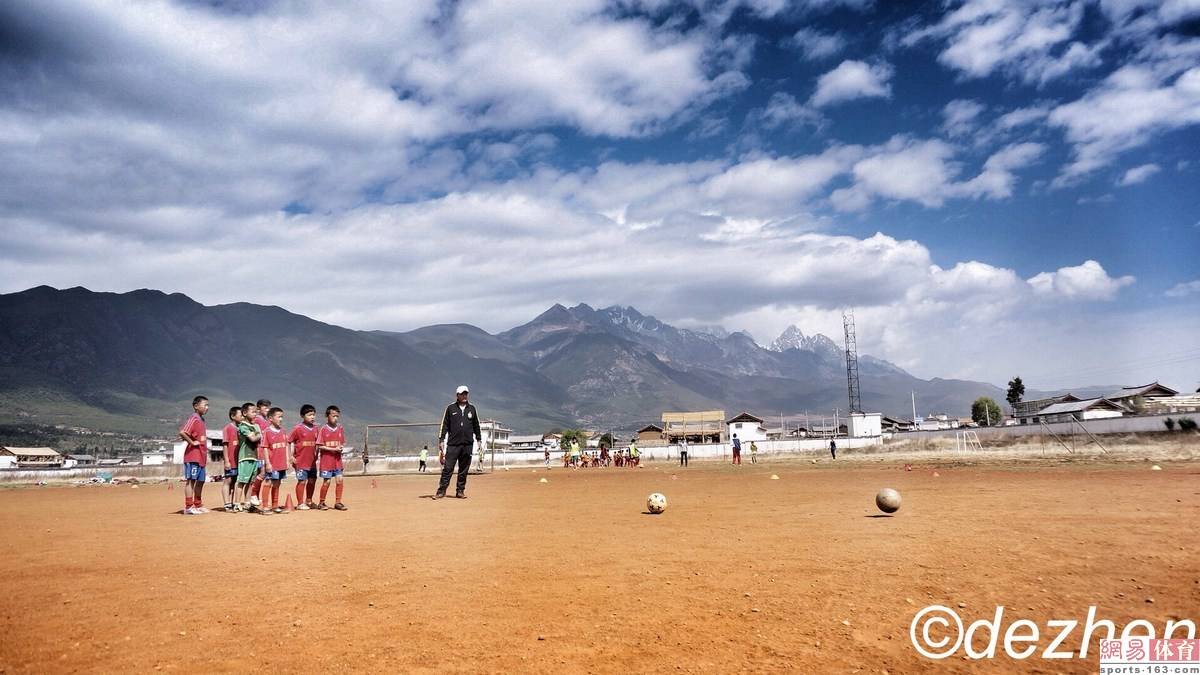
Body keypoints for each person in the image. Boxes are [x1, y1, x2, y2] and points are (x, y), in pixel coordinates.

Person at [435, 385, 481, 499]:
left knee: (464, 469)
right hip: (453, 444)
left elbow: (476, 425)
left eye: (466, 393)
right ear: (457, 395)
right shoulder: (450, 408)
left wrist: (479, 439)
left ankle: (460, 491)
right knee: (448, 468)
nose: (465, 396)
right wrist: (441, 439)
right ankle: (441, 491)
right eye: (462, 394)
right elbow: (444, 425)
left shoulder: (472, 409)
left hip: (467, 444)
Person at [178, 395, 209, 515]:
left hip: (202, 455)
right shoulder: (194, 418)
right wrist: (192, 442)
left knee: (200, 481)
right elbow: (182, 432)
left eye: (208, 405)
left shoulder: (201, 419)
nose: (207, 407)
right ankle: (188, 506)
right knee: (191, 481)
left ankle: (198, 504)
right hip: (193, 455)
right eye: (205, 405)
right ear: (196, 406)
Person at [316, 405, 348, 510]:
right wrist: (333, 449)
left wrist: (341, 448)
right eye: (333, 416)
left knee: (339, 480)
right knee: (327, 481)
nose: (336, 418)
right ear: (327, 416)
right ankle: (321, 502)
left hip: (337, 460)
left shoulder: (340, 428)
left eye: (337, 416)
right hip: (327, 461)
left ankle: (338, 502)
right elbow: (320, 445)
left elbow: (342, 442)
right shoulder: (323, 429)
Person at [258, 407, 289, 514]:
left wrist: (287, 460)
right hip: (272, 463)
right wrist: (267, 463)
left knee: (277, 484)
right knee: (268, 482)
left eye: (282, 417)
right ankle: (265, 507)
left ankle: (275, 506)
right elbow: (265, 448)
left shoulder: (283, 431)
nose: (281, 419)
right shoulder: (267, 432)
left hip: (281, 464)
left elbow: (285, 446)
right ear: (270, 418)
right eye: (279, 417)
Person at [289, 404, 319, 510]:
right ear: (302, 415)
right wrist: (291, 456)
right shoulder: (298, 428)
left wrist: (317, 454)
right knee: (302, 481)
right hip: (301, 460)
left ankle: (309, 501)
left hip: (312, 461)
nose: (312, 417)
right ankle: (300, 503)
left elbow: (318, 443)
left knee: (312, 480)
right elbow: (290, 441)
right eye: (309, 415)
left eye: (313, 415)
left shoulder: (316, 428)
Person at [235, 402, 262, 513]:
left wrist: (258, 433)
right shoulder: (243, 425)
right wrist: (259, 434)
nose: (255, 414)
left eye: (256, 411)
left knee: (251, 482)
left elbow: (257, 436)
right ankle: (237, 504)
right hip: (245, 456)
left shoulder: (255, 426)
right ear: (245, 413)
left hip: (254, 457)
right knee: (242, 481)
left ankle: (247, 503)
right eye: (253, 411)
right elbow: (253, 438)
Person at [248, 398, 272, 508]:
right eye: (265, 407)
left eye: (269, 407)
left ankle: (254, 499)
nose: (268, 409)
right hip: (259, 450)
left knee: (261, 474)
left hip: (266, 450)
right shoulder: (257, 419)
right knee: (262, 473)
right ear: (258, 408)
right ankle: (253, 495)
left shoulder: (267, 421)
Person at [221, 406, 242, 512]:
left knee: (236, 482)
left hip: (240, 461)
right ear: (233, 416)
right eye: (240, 414)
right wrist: (226, 461)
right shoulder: (227, 428)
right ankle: (227, 504)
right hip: (231, 460)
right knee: (228, 481)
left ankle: (233, 503)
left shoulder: (242, 428)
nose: (242, 416)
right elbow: (225, 446)